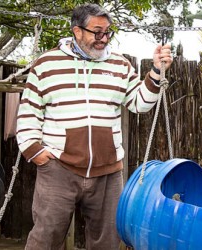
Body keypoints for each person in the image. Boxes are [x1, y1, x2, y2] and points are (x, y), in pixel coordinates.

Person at [16, 3, 173, 249]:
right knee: (46, 237)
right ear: (77, 31)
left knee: (108, 241)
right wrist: (36, 153)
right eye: (97, 32)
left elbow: (140, 104)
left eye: (108, 32)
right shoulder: (46, 64)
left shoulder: (120, 65)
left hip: (108, 172)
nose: (104, 38)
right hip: (58, 167)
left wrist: (155, 71)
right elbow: (28, 113)